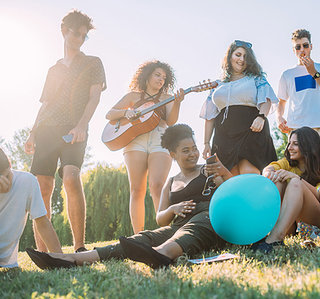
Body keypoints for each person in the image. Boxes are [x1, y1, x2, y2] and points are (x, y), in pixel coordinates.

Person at [26, 124, 231, 270]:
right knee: (144, 237)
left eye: (194, 148)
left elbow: (232, 194)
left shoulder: (209, 170)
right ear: (172, 154)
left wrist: (222, 173)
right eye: (185, 150)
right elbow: (161, 218)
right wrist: (172, 210)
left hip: (209, 219)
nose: (193, 154)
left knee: (192, 227)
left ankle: (162, 254)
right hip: (177, 225)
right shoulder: (171, 182)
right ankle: (70, 258)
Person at [24, 10, 106, 253]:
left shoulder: (93, 63)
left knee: (71, 177)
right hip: (46, 129)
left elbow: (94, 98)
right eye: (75, 33)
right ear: (64, 31)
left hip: (74, 129)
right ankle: (44, 251)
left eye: (84, 36)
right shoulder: (53, 70)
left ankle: (79, 246)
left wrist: (81, 124)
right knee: (43, 187)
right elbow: (45, 104)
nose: (79, 39)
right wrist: (32, 132)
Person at [105, 61, 185, 234]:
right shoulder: (133, 96)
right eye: (157, 75)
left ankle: (166, 232)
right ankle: (138, 236)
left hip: (160, 138)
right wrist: (126, 112)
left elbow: (171, 121)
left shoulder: (167, 98)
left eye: (164, 77)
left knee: (157, 185)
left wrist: (177, 103)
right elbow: (110, 114)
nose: (161, 79)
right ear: (147, 75)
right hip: (135, 140)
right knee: (136, 189)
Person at [251, 127, 320, 252]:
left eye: (295, 144)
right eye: (289, 143)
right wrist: (269, 173)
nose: (289, 147)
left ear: (308, 146)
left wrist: (297, 179)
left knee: (295, 183)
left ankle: (275, 239)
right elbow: (269, 168)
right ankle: (262, 233)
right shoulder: (288, 163)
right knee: (279, 178)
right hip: (291, 225)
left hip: (317, 222)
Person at [200, 40, 278, 175]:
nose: (241, 59)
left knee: (248, 171)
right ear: (230, 56)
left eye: (245, 56)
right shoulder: (218, 84)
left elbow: (266, 99)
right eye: (238, 55)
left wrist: (261, 117)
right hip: (224, 136)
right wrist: (206, 143)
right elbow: (210, 115)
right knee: (228, 176)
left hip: (251, 131)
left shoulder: (256, 78)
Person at [276, 29, 320, 165]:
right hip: (296, 130)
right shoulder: (287, 74)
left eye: (305, 45)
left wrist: (314, 73)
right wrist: (279, 118)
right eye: (298, 47)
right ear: (293, 50)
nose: (302, 49)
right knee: (299, 171)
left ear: (311, 46)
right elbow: (281, 102)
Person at [0, 148, 62, 268]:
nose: (5, 183)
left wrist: (60, 257)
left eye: (7, 175)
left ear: (10, 164)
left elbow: (42, 222)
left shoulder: (27, 181)